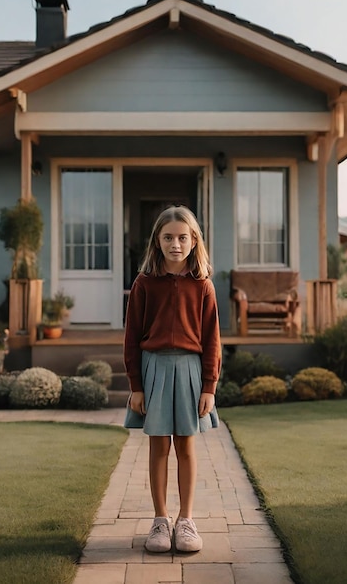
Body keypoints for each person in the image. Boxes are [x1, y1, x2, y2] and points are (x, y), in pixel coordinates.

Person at [124, 205, 221, 553]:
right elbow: (132, 336)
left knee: (185, 446)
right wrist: (136, 385)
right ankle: (160, 521)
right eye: (168, 237)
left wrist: (209, 386)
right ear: (158, 241)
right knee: (158, 446)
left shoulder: (203, 286)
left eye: (182, 237)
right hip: (154, 369)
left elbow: (212, 339)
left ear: (193, 241)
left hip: (191, 372)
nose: (175, 244)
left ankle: (187, 521)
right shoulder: (144, 283)